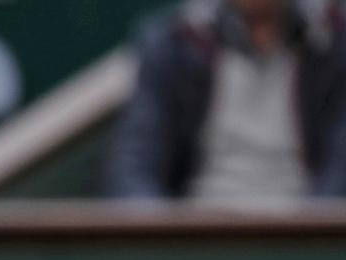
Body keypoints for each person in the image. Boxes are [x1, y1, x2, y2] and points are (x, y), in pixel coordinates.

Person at [107, 0, 346, 205]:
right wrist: (157, 240)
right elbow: (134, 163)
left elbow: (339, 170)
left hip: (307, 241)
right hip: (200, 240)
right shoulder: (174, 44)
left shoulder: (333, 42)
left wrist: (310, 240)